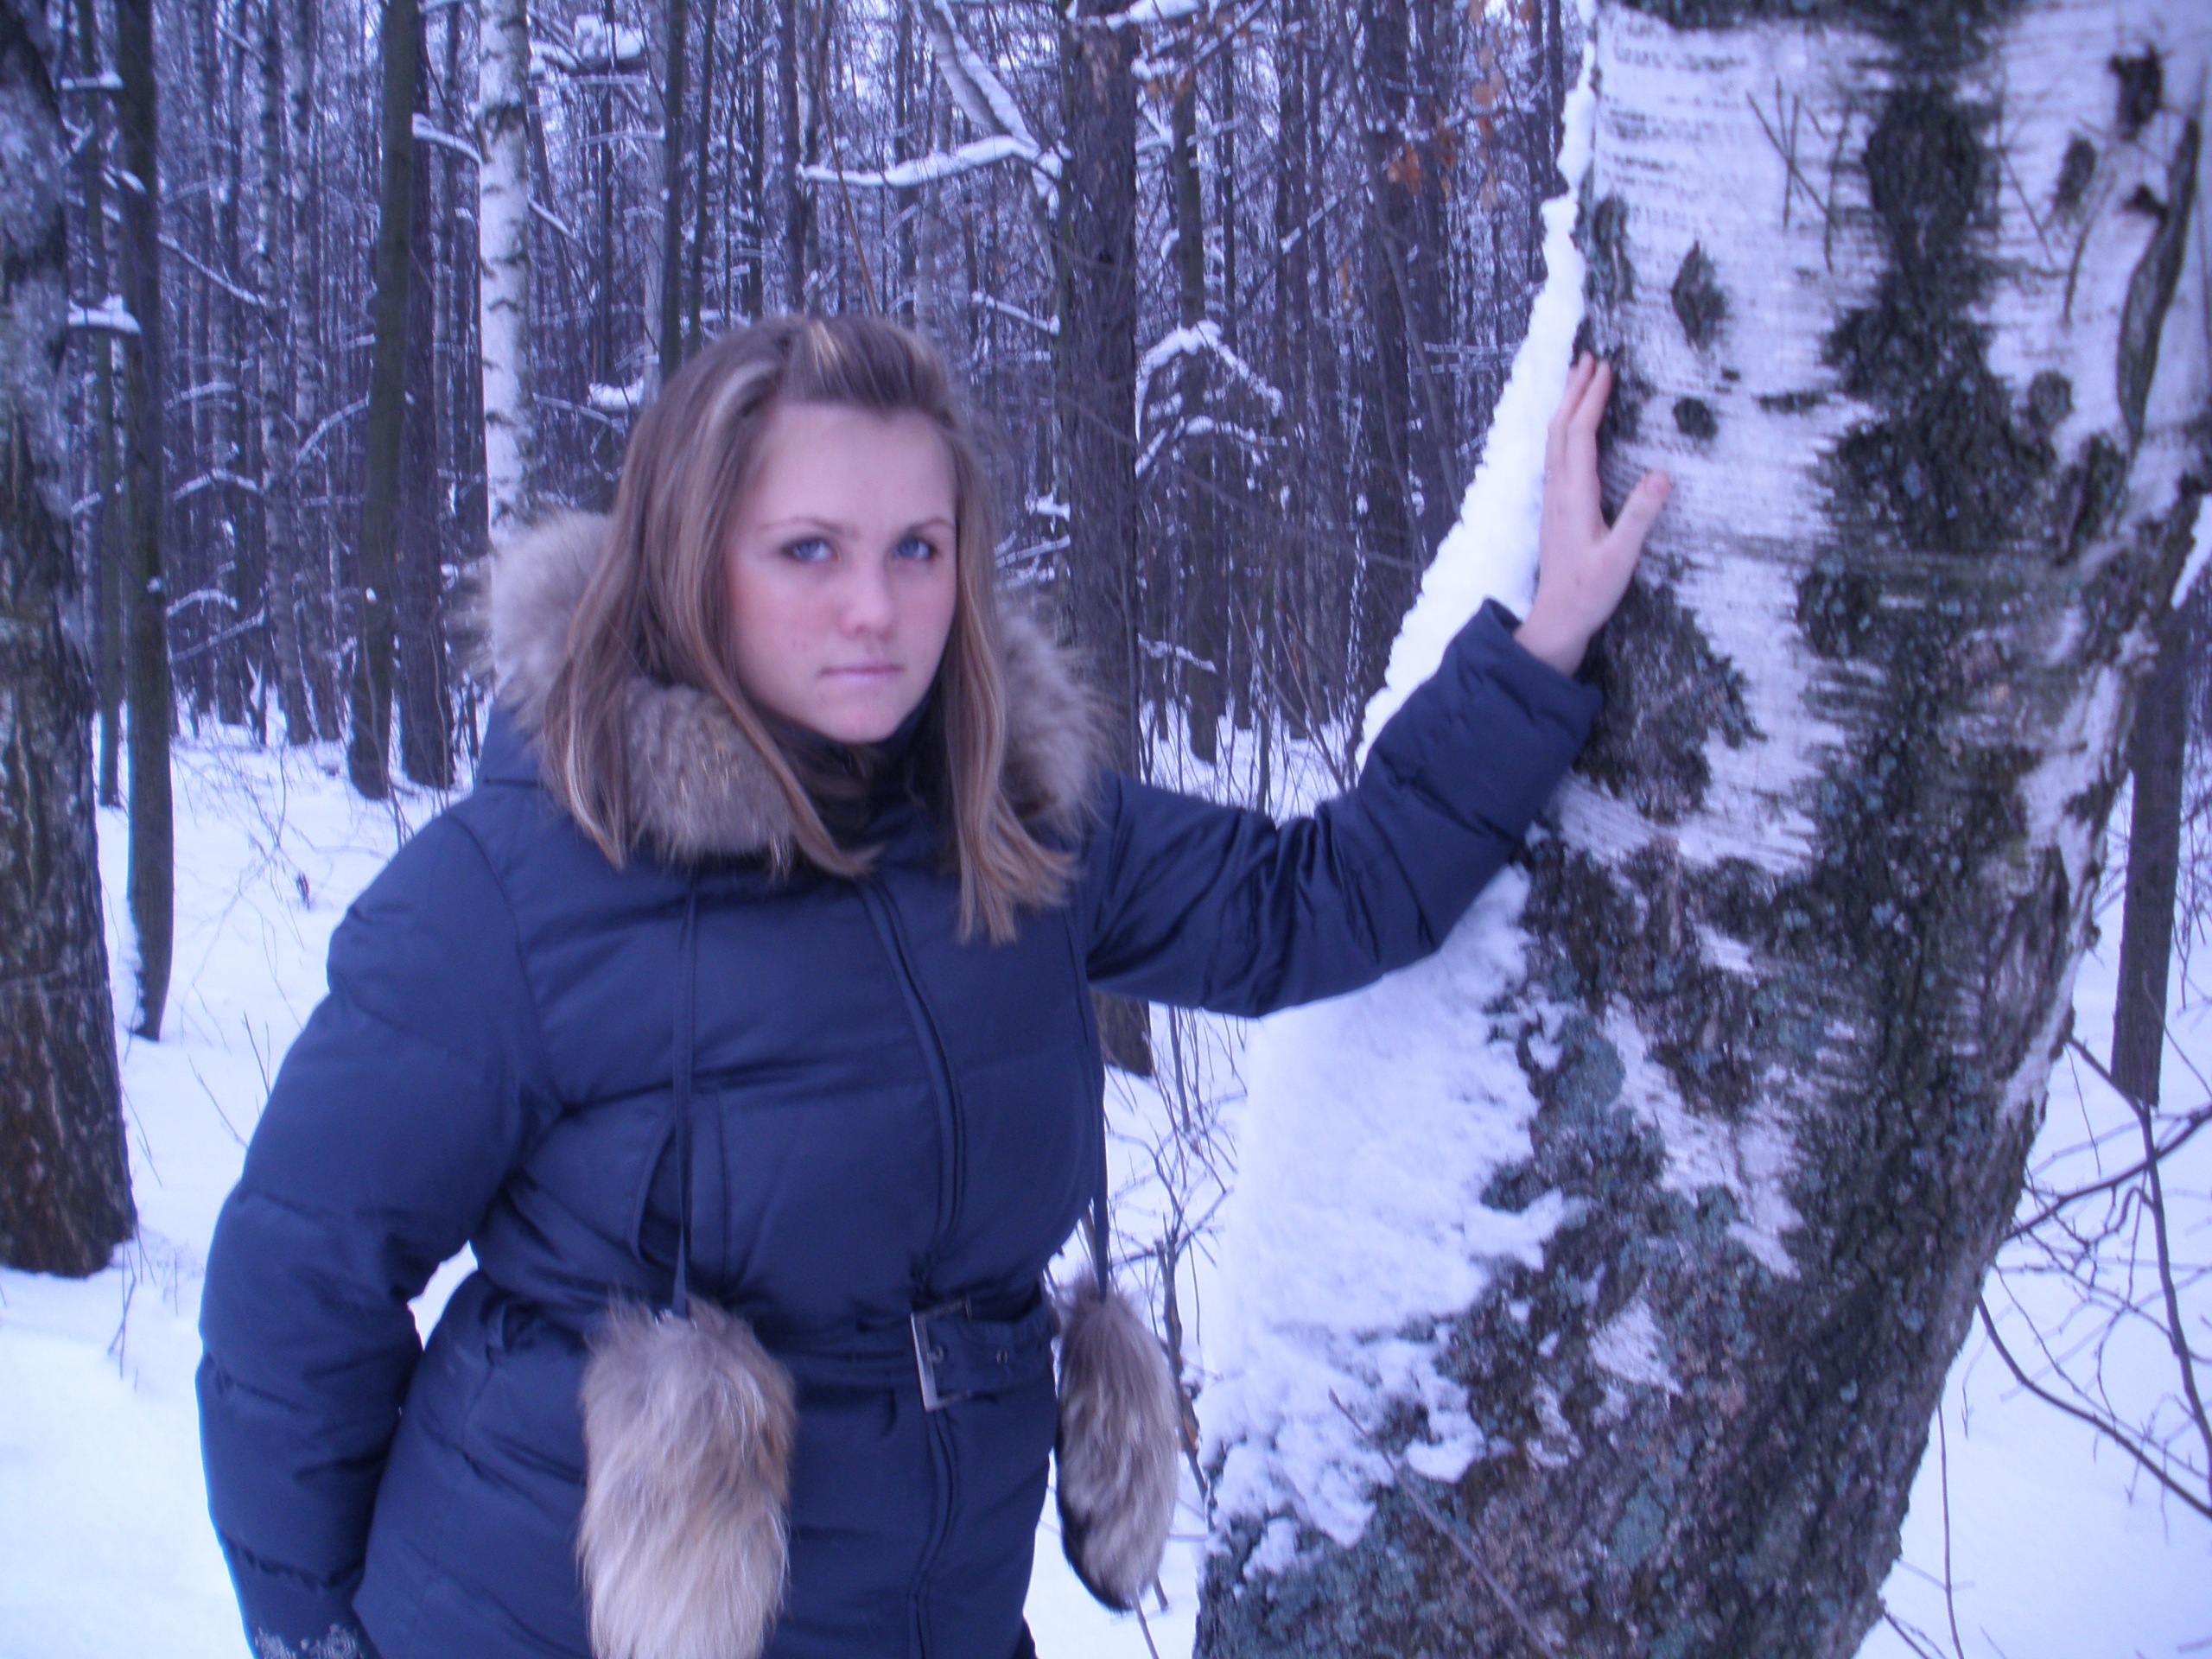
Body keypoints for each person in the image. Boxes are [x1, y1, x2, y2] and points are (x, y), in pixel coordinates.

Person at [196, 315, 1667, 1659]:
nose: (877, 609)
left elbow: (1319, 901)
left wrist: (1545, 641)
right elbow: (295, 1284)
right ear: (689, 559)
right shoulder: (519, 883)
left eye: (918, 547)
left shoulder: (1014, 825)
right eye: (808, 550)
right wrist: (319, 1642)